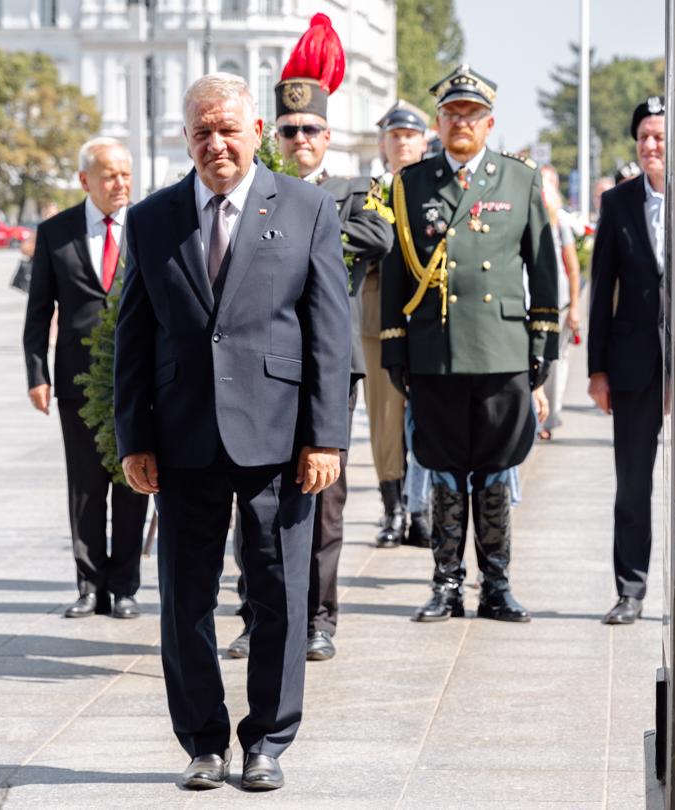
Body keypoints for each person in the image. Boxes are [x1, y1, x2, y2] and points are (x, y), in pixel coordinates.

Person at [113, 72, 349, 792]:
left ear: (255, 132)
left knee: (279, 589)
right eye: (201, 132)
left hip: (279, 440)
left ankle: (268, 741)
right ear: (185, 139)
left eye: (228, 129)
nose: (216, 143)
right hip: (182, 439)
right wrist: (133, 439)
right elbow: (133, 334)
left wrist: (326, 438)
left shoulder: (306, 208)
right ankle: (204, 742)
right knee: (185, 596)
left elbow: (329, 333)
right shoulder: (152, 219)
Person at [223, 14, 389, 665]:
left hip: (325, 365)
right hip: (259, 363)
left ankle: (320, 616)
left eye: (311, 130)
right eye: (289, 130)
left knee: (323, 499)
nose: (301, 141)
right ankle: (255, 612)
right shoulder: (252, 191)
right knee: (253, 497)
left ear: (328, 134)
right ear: (275, 133)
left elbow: (379, 241)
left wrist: (308, 227)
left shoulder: (351, 192)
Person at [379, 64, 562, 624]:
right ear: (438, 121)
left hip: (503, 349)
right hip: (438, 350)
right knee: (442, 469)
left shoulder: (519, 179)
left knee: (496, 467)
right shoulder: (411, 183)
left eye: (472, 115)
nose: (462, 123)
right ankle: (446, 586)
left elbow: (544, 268)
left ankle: (497, 586)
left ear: (489, 124)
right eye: (453, 113)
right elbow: (395, 277)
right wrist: (395, 349)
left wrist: (542, 347)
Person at [23, 137, 152, 620]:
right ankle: (89, 585)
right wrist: (37, 373)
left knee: (133, 480)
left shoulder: (147, 226)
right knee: (85, 485)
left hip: (136, 380)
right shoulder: (55, 233)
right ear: (85, 181)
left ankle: (124, 588)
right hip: (77, 379)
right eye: (109, 176)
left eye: (125, 174)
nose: (120, 184)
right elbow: (39, 311)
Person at [588, 96, 669, 626]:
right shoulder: (617, 204)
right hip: (634, 359)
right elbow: (601, 291)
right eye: (643, 136)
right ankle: (631, 590)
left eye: (659, 135)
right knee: (632, 484)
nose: (650, 145)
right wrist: (597, 370)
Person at [363, 101, 432, 548]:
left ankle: (422, 507)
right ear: (383, 143)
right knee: (385, 419)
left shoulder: (435, 189)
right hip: (375, 316)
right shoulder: (369, 191)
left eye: (410, 135)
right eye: (394, 136)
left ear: (425, 140)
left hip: (426, 316)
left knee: (426, 416)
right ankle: (394, 509)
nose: (402, 143)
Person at [536, 163, 585, 437]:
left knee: (555, 363)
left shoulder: (561, 224)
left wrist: (575, 307)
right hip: (533, 305)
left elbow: (573, 267)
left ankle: (550, 417)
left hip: (560, 304)